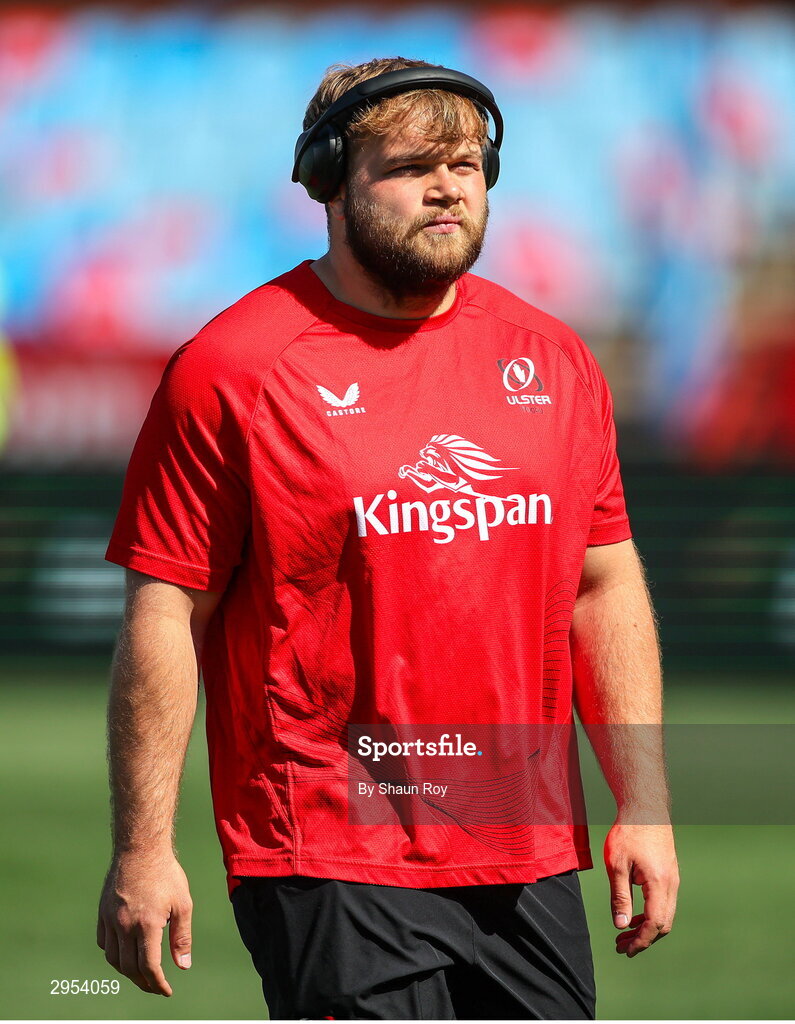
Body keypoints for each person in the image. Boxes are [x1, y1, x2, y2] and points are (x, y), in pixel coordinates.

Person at [97, 56, 679, 1019]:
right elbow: (166, 612)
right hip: (328, 845)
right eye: (411, 165)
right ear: (328, 181)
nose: (448, 186)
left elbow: (601, 588)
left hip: (521, 842)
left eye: (467, 164)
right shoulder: (232, 369)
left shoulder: (556, 360)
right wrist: (143, 847)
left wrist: (644, 804)